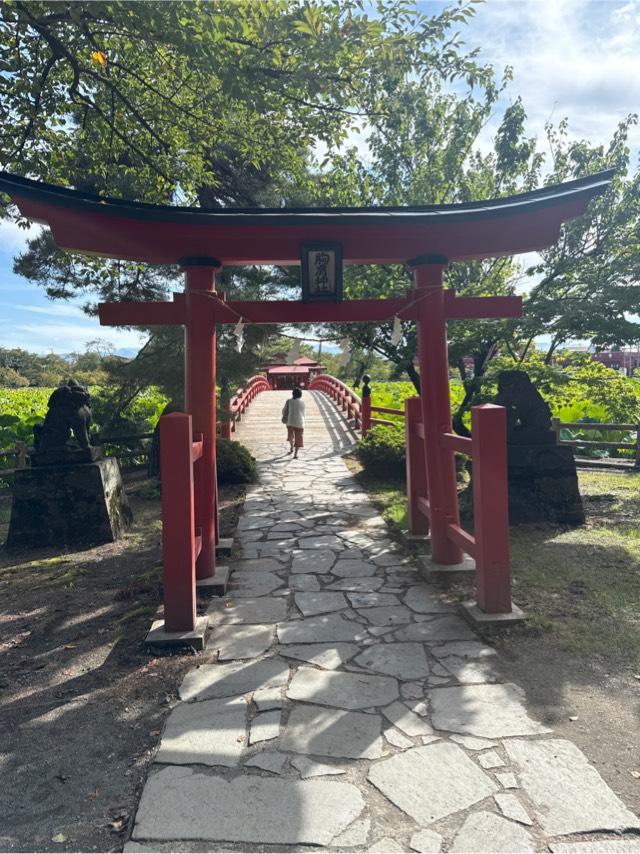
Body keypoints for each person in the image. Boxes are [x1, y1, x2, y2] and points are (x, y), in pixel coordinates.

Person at [282, 387, 305, 458]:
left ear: (293, 394)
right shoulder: (302, 402)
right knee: (298, 438)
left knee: (290, 436)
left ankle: (291, 447)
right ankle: (296, 454)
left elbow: (284, 411)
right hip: (299, 422)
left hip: (290, 421)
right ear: (300, 395)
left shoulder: (289, 401)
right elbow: (303, 413)